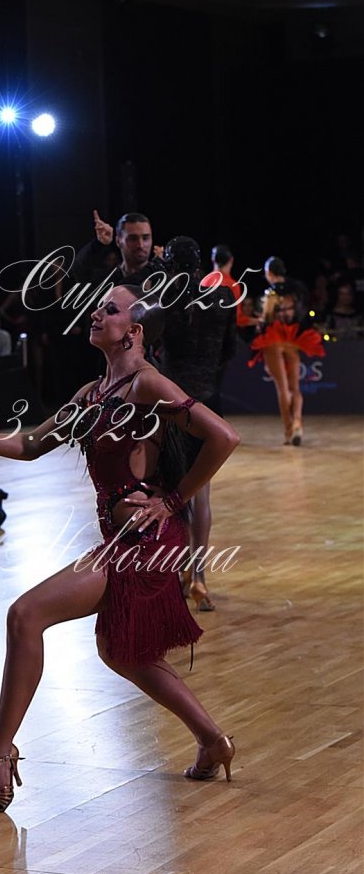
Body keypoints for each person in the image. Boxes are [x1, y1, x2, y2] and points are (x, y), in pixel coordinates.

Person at [0, 283, 240, 813]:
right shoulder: (92, 394)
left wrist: (172, 500)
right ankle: (213, 740)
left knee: (25, 615)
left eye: (109, 309)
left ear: (134, 331)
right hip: (122, 538)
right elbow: (31, 444)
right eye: (96, 306)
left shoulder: (146, 384)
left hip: (145, 543)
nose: (96, 313)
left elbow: (223, 436)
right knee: (120, 651)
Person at [156, 237, 238, 611]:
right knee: (201, 491)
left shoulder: (168, 300)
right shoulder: (223, 297)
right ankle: (199, 577)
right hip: (209, 400)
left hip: (174, 403)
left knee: (171, 491)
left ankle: (175, 573)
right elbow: (229, 349)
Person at [248, 257, 324, 446]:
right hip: (293, 339)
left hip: (273, 339)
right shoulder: (296, 290)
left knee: (282, 388)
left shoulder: (271, 293)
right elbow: (303, 315)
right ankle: (298, 422)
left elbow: (265, 321)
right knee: (295, 388)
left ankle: (289, 431)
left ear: (269, 273)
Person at [72, 210, 155, 286]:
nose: (140, 245)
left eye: (146, 238)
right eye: (133, 239)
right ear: (118, 241)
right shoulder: (108, 280)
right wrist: (98, 243)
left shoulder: (159, 277)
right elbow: (80, 270)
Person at [201, 245, 257, 330]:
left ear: (213, 259)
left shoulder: (204, 281)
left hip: (204, 332)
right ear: (231, 260)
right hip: (222, 334)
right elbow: (237, 319)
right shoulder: (233, 285)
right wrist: (259, 321)